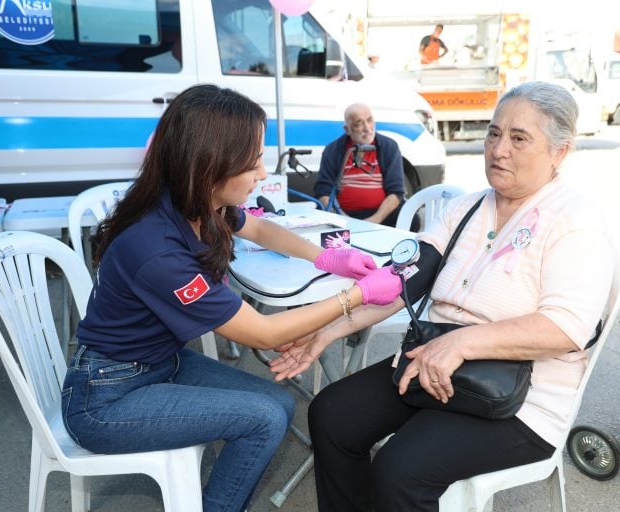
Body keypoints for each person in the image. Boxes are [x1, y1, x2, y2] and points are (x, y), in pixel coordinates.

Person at [271, 81, 616, 511]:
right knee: (332, 413)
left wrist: (459, 342)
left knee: (400, 469)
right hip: (435, 361)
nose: (498, 149)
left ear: (559, 152)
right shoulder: (467, 208)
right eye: (493, 133)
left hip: (523, 395)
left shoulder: (575, 223)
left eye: (519, 138)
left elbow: (566, 327)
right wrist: (327, 332)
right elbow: (405, 281)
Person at [60, 84, 402, 512]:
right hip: (107, 396)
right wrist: (359, 295)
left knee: (279, 402)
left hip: (160, 362)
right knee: (263, 418)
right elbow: (260, 332)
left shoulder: (197, 202)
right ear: (211, 162)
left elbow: (260, 228)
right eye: (253, 159)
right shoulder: (156, 249)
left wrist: (329, 258)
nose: (262, 173)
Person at [314, 103, 407, 227]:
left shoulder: (389, 146)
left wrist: (374, 220)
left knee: (410, 218)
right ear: (347, 130)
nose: (367, 128)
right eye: (359, 124)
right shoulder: (332, 150)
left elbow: (396, 192)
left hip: (380, 215)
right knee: (319, 216)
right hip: (342, 214)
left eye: (369, 120)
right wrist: (343, 220)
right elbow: (323, 192)